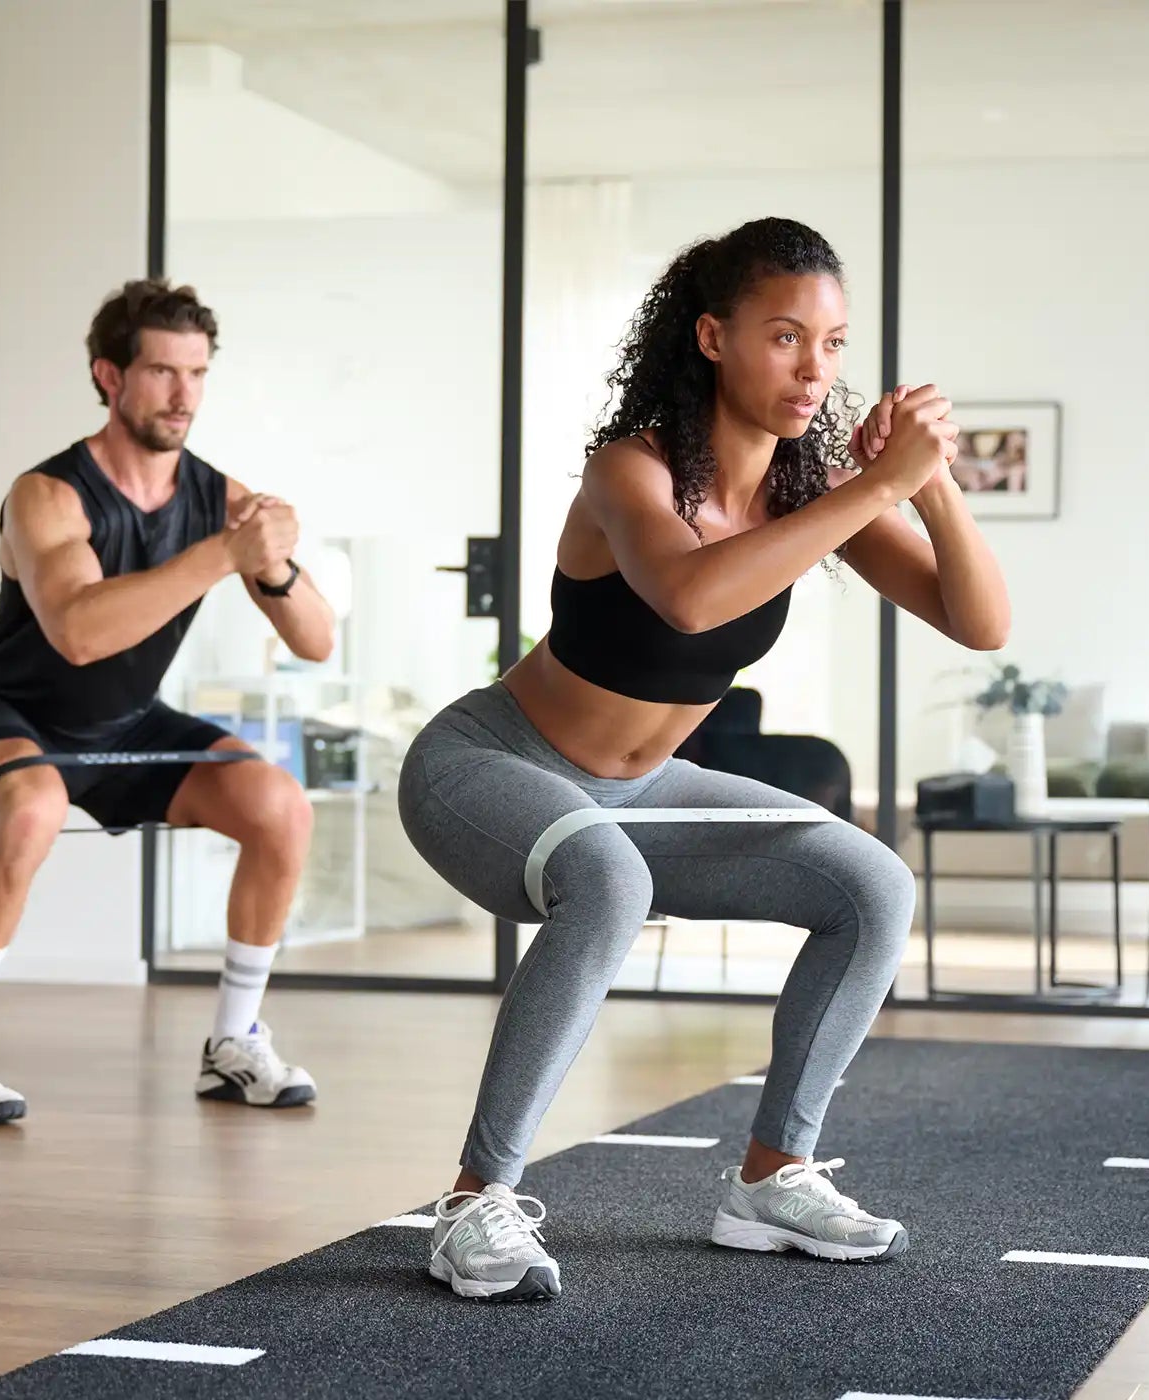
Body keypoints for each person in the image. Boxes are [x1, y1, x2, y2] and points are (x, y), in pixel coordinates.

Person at [400, 218, 1011, 1301]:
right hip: (491, 764)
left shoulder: (808, 490)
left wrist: (929, 484)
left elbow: (981, 621)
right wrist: (869, 489)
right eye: (786, 337)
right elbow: (688, 596)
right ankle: (473, 1199)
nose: (814, 368)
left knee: (873, 883)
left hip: (638, 791)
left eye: (832, 343)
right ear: (714, 337)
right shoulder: (628, 468)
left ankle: (773, 1176)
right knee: (609, 877)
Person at [0, 279, 337, 1125]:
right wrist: (225, 553)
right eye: (160, 372)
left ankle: (234, 1043)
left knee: (280, 806)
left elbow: (317, 641)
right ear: (109, 376)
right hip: (4, 712)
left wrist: (277, 567)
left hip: (125, 725)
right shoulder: (49, 494)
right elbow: (77, 632)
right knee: (33, 806)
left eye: (197, 373)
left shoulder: (219, 497)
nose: (184, 396)